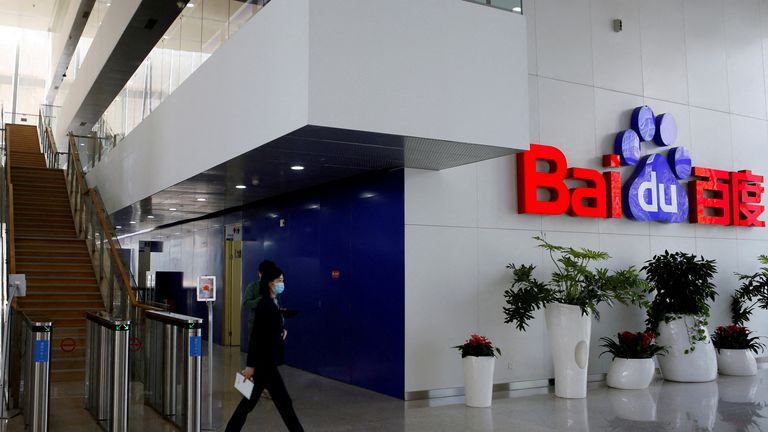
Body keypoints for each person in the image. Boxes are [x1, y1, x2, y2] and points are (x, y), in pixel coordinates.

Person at [225, 266, 304, 432]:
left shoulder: (272, 303)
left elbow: (268, 330)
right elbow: (257, 336)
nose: (282, 283)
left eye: (282, 280)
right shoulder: (264, 304)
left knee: (249, 403)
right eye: (279, 281)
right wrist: (250, 365)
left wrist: (280, 331)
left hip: (264, 364)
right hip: (265, 364)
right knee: (284, 403)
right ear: (269, 283)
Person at [243, 259, 276, 334]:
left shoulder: (275, 287)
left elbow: (278, 305)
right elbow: (246, 304)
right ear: (260, 274)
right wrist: (262, 300)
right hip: (255, 325)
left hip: (272, 324)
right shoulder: (252, 287)